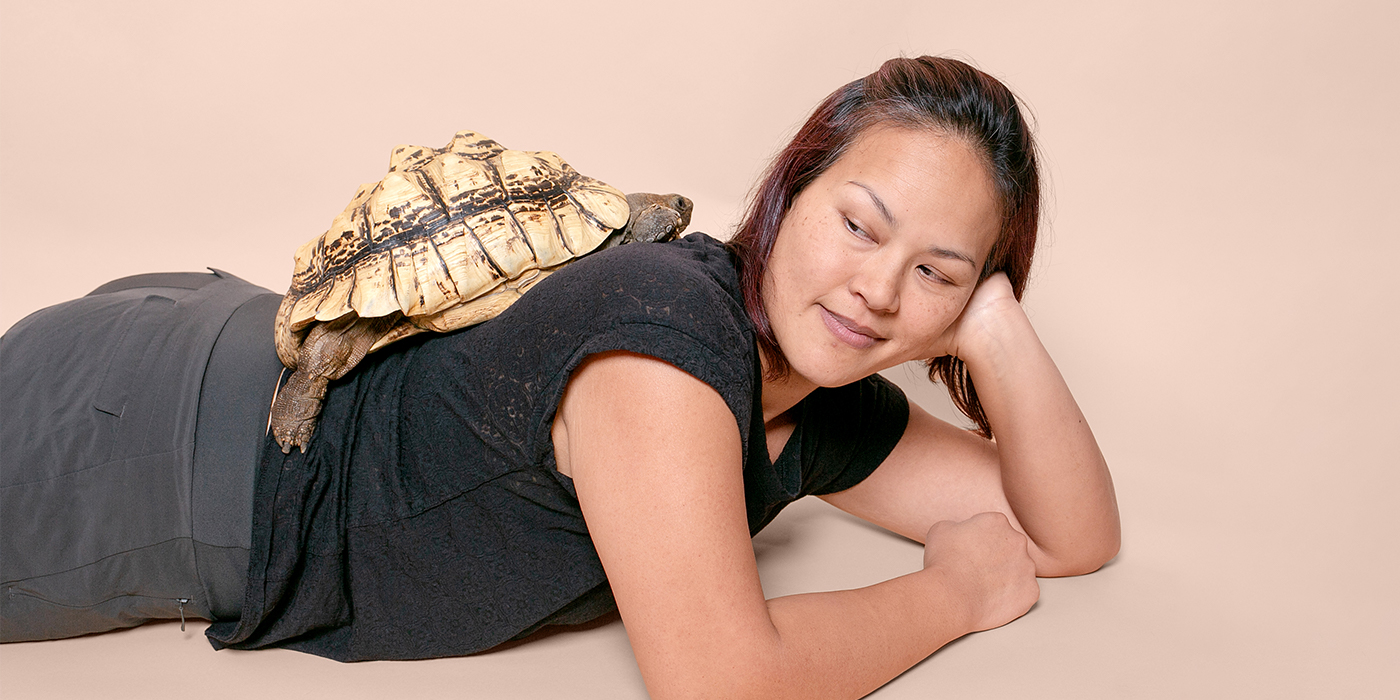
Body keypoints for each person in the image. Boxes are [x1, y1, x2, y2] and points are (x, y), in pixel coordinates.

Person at [0, 56, 1119, 698]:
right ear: (790, 187)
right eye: (857, 223)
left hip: (219, 356)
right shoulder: (665, 336)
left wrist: (995, 329)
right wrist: (955, 593)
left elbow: (1068, 536)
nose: (878, 288)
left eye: (933, 271)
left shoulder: (814, 401)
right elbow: (722, 683)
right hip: (149, 452)